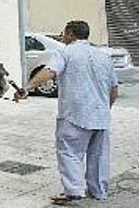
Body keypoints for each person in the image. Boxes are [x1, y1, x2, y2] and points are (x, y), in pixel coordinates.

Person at [13, 20, 119, 205]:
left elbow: (50, 71)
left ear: (70, 34)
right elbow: (114, 89)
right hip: (101, 116)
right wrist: (105, 108)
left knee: (69, 152)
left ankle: (74, 191)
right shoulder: (103, 56)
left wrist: (27, 87)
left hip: (74, 114)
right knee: (99, 156)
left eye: (63, 33)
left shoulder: (65, 52)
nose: (62, 36)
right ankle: (99, 191)